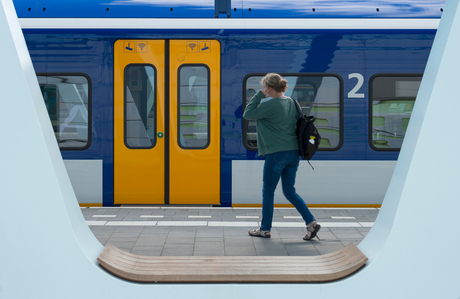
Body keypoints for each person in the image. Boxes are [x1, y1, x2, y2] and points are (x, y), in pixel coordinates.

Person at [242, 73, 320, 241]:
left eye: (265, 88)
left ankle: (265, 229)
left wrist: (258, 96)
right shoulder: (293, 102)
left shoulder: (271, 104)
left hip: (276, 154)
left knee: (268, 191)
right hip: (293, 154)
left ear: (269, 88)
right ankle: (311, 223)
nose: (264, 91)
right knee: (290, 191)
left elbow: (247, 114)